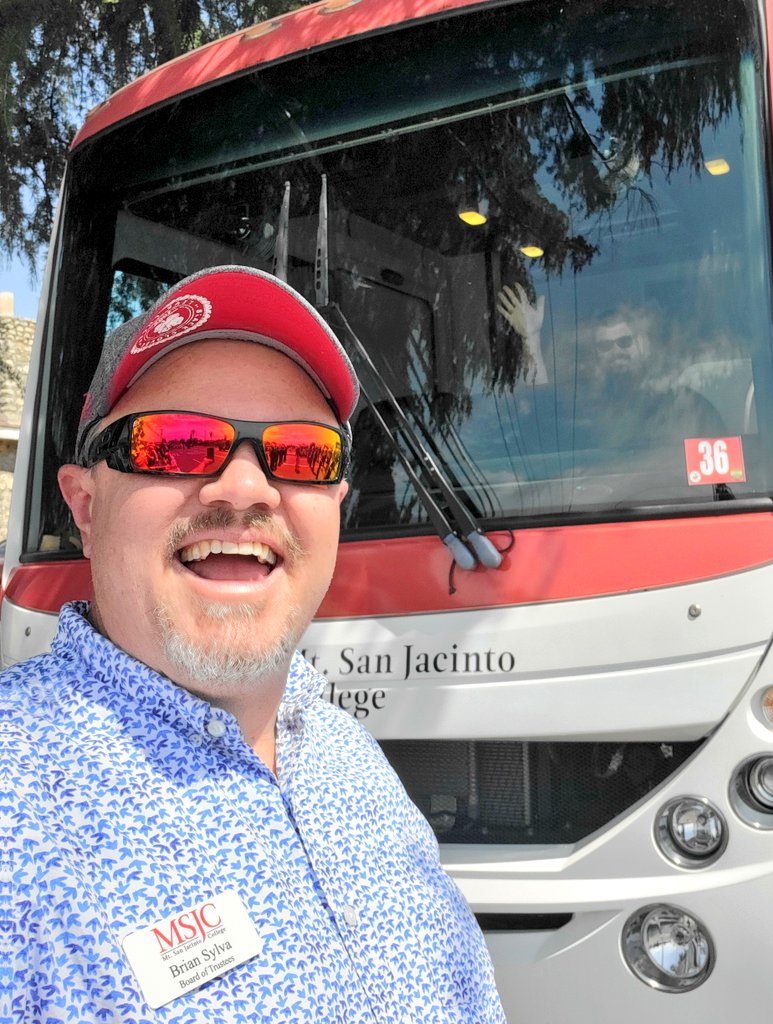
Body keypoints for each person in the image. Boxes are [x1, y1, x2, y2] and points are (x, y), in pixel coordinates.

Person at [0, 266, 506, 1022]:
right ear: (84, 503)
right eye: (175, 444)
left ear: (335, 504)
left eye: (302, 454)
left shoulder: (350, 759)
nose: (246, 489)